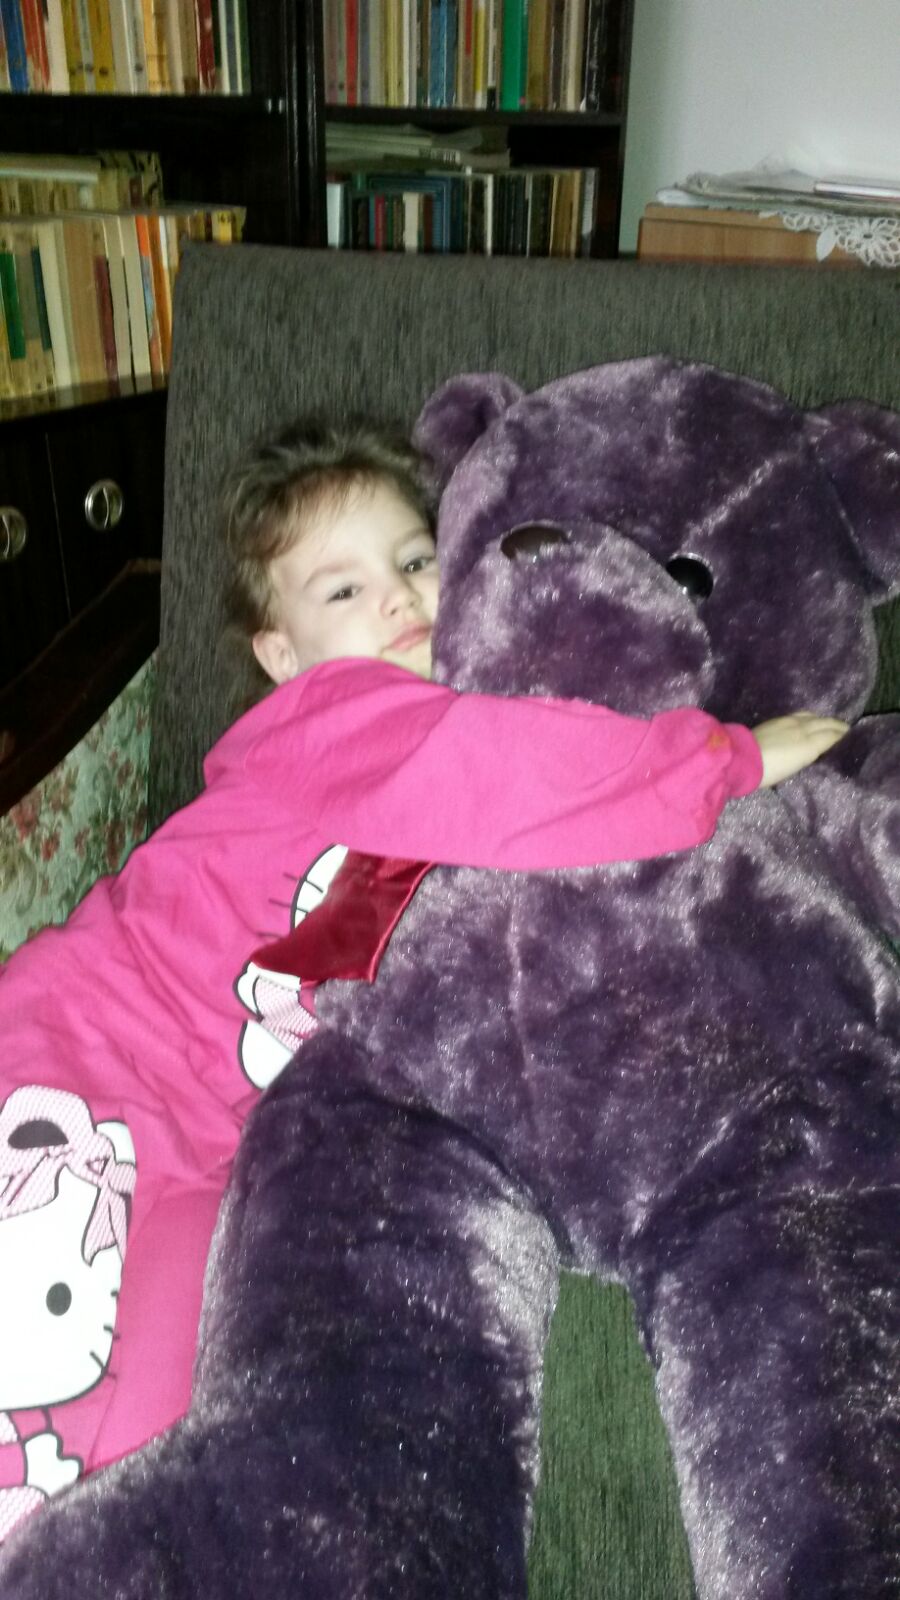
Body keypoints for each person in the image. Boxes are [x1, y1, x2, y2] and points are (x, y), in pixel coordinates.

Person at [0, 415, 846, 1546]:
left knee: (134, 1442)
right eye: (343, 590)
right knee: (40, 1389)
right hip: (84, 1053)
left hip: (208, 1134)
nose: (398, 597)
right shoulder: (332, 716)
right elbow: (510, 775)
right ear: (282, 656)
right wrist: (729, 758)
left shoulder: (410, 725)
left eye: (413, 559)